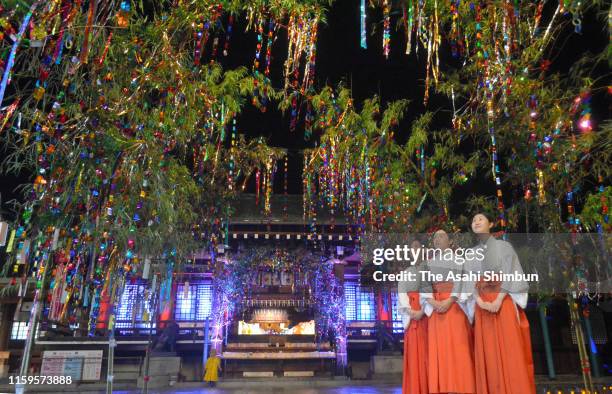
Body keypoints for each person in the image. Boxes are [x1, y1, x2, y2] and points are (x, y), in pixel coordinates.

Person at [470, 213, 535, 394]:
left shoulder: (504, 246)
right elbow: (467, 282)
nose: (476, 222)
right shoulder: (471, 253)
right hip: (482, 304)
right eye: (474, 220)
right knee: (488, 354)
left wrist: (498, 299)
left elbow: (511, 273)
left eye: (480, 219)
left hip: (503, 301)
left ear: (491, 224)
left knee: (510, 350)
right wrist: (480, 302)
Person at [422, 229, 476, 394]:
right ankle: (442, 388)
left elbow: (464, 281)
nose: (437, 239)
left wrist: (450, 299)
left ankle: (462, 387)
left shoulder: (459, 260)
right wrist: (432, 301)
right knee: (439, 351)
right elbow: (424, 286)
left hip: (454, 307)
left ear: (450, 241)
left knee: (458, 346)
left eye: (441, 236)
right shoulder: (428, 263)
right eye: (435, 237)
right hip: (436, 307)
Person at [397, 239, 430, 394]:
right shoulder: (405, 273)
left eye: (418, 246)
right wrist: (411, 312)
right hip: (412, 316)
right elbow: (402, 295)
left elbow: (432, 292)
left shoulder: (429, 269)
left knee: (429, 354)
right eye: (412, 247)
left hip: (428, 315)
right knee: (414, 356)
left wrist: (423, 311)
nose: (415, 249)